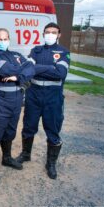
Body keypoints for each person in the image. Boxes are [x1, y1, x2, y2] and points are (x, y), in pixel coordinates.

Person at [16, 22, 70, 179]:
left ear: (59, 35)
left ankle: (51, 163)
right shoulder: (36, 50)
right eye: (47, 32)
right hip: (34, 93)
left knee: (52, 129)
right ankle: (26, 154)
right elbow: (28, 69)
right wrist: (49, 68)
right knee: (28, 126)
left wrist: (39, 68)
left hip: (53, 96)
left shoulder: (63, 52)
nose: (50, 34)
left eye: (54, 32)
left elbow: (60, 73)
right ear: (43, 33)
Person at [0, 28, 35, 184]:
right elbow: (2, 70)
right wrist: (21, 73)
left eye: (6, 38)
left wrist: (17, 77)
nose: (3, 41)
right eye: (0, 38)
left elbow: (32, 68)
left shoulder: (16, 55)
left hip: (16, 99)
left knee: (10, 131)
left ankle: (7, 158)